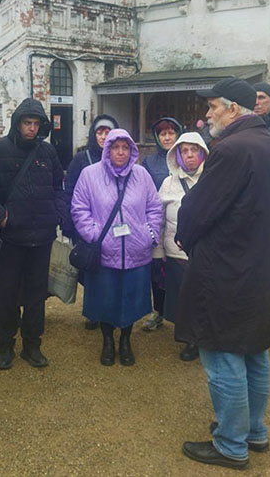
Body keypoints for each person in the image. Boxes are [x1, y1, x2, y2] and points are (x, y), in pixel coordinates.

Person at [176, 77, 270, 469]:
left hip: (223, 270)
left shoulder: (232, 149)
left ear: (233, 109)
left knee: (223, 355)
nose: (207, 115)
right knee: (253, 351)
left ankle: (230, 443)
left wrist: (188, 241)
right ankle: (253, 430)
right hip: (256, 268)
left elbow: (196, 211)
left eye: (213, 108)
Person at [0, 98, 64, 370]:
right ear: (17, 124)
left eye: (36, 123)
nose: (31, 128)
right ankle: (5, 346)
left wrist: (57, 213)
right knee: (6, 294)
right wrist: (1, 216)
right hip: (10, 237)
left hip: (41, 235)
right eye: (27, 123)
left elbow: (58, 188)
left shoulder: (48, 152)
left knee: (36, 295)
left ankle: (32, 345)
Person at [71, 129, 162, 366]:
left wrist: (149, 235)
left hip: (136, 252)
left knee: (130, 299)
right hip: (104, 253)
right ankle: (108, 341)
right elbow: (79, 208)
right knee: (105, 300)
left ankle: (126, 340)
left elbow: (154, 208)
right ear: (107, 149)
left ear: (132, 150)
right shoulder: (89, 175)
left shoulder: (141, 175)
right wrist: (94, 235)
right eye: (115, 147)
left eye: (125, 148)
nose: (120, 152)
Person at [153, 131, 209, 361]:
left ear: (203, 152)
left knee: (204, 298)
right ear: (177, 155)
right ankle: (190, 340)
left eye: (194, 150)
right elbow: (160, 219)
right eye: (184, 151)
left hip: (205, 254)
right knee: (182, 299)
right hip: (176, 253)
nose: (189, 155)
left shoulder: (213, 180)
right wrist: (158, 251)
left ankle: (204, 338)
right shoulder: (168, 183)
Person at [63, 114, 118, 330]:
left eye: (108, 132)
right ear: (93, 134)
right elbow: (70, 191)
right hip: (87, 226)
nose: (104, 137)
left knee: (112, 271)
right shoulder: (81, 159)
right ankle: (94, 312)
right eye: (100, 132)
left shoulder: (120, 156)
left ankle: (110, 310)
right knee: (91, 271)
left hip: (113, 226)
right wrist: (69, 223)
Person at [142, 117, 182, 332]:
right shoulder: (149, 162)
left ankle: (179, 312)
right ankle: (158, 310)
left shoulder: (185, 156)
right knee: (156, 269)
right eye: (162, 134)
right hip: (158, 223)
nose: (167, 137)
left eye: (171, 133)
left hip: (179, 223)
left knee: (178, 270)